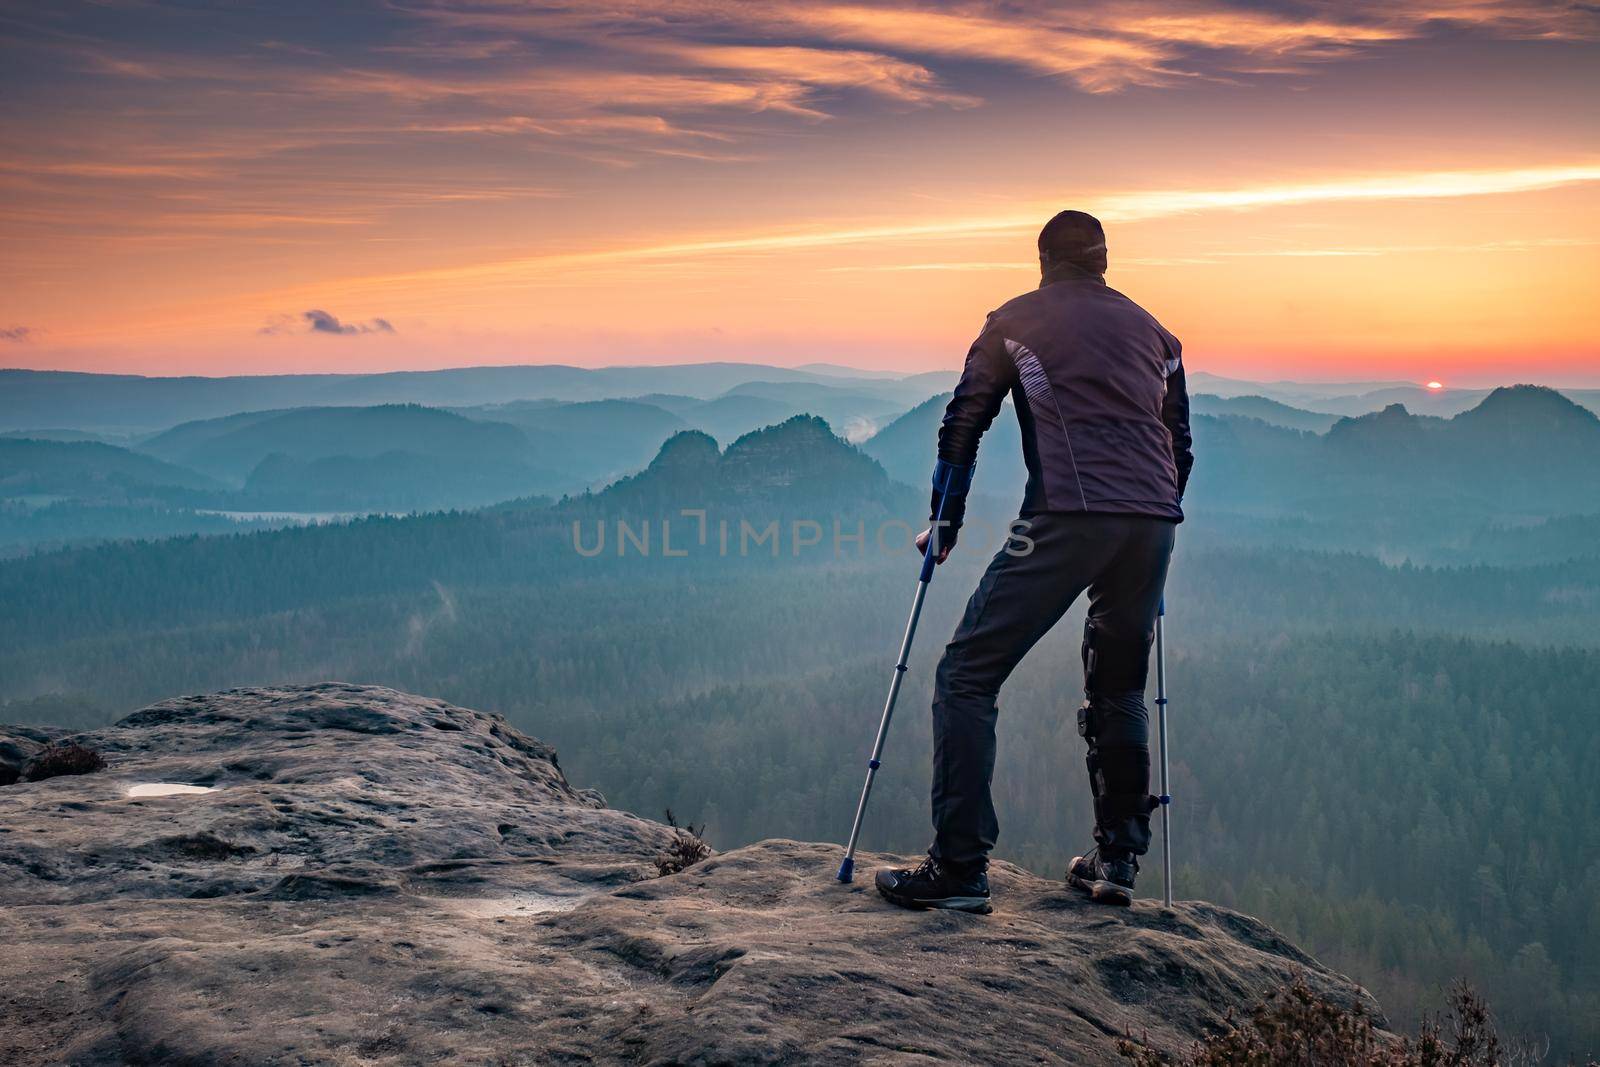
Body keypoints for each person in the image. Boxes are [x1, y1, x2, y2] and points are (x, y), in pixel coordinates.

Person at [875, 210, 1193, 913]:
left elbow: (964, 418)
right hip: (1151, 522)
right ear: (1105, 260)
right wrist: (1156, 530)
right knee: (1119, 686)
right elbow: (1179, 443)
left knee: (966, 672)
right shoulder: (1158, 335)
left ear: (1044, 259)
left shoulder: (1014, 320)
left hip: (1065, 518)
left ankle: (959, 867)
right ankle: (1117, 858)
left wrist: (944, 522)